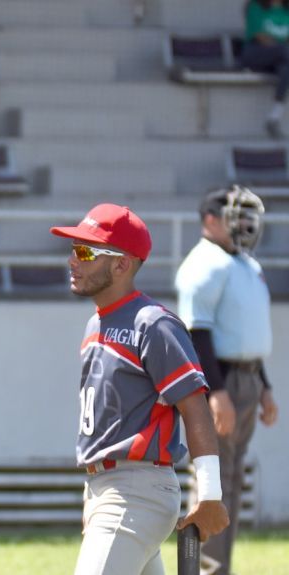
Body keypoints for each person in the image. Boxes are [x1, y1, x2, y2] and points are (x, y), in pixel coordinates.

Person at [49, 203, 230, 574]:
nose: (73, 260)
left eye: (85, 251)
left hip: (134, 490)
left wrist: (210, 493)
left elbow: (195, 407)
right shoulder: (94, 324)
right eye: (73, 249)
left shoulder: (153, 323)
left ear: (121, 265)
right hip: (107, 488)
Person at [175, 186, 279, 575]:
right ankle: (198, 569)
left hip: (246, 377)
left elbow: (245, 333)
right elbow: (196, 332)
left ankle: (220, 568)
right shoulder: (204, 263)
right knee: (209, 481)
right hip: (221, 380)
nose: (245, 224)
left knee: (230, 483)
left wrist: (264, 384)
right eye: (234, 214)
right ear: (210, 220)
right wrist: (216, 392)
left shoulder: (244, 263)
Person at [240, 0, 289, 139]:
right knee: (285, 52)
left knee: (287, 69)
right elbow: (260, 37)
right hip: (256, 53)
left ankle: (274, 116)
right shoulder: (256, 6)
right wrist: (282, 47)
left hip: (281, 58)